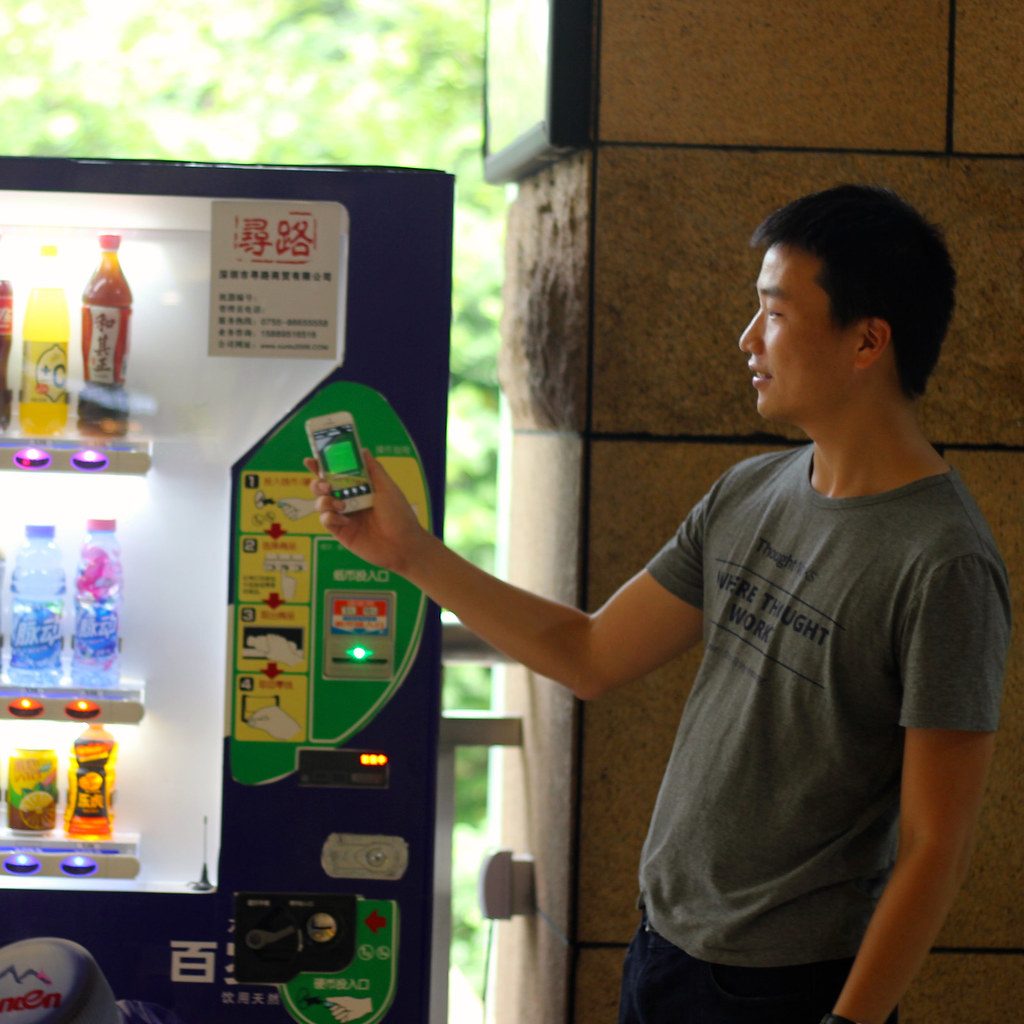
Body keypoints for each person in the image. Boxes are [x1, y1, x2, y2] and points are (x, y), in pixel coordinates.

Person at [307, 184, 1011, 1024]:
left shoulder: (946, 562)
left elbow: (938, 846)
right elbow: (591, 654)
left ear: (868, 340)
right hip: (664, 951)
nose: (747, 340)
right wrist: (407, 553)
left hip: (791, 988)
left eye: (774, 314)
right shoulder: (750, 492)